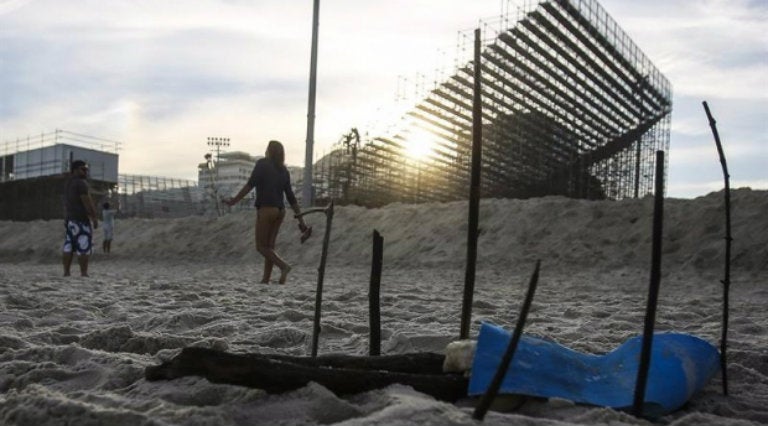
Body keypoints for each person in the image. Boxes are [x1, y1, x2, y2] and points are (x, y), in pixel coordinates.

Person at [224, 140, 306, 284]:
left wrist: (234, 201)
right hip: (281, 211)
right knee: (270, 247)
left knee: (261, 247)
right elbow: (291, 197)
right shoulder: (284, 170)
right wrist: (301, 221)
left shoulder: (262, 164)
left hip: (267, 209)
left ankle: (284, 266)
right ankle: (266, 279)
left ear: (269, 151)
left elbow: (250, 185)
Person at [62, 160, 99, 276]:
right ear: (75, 170)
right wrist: (94, 217)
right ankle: (84, 273)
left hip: (70, 219)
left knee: (68, 246)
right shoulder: (81, 183)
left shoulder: (68, 183)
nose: (86, 171)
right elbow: (87, 202)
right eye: (83, 169)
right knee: (83, 246)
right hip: (81, 219)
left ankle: (66, 272)